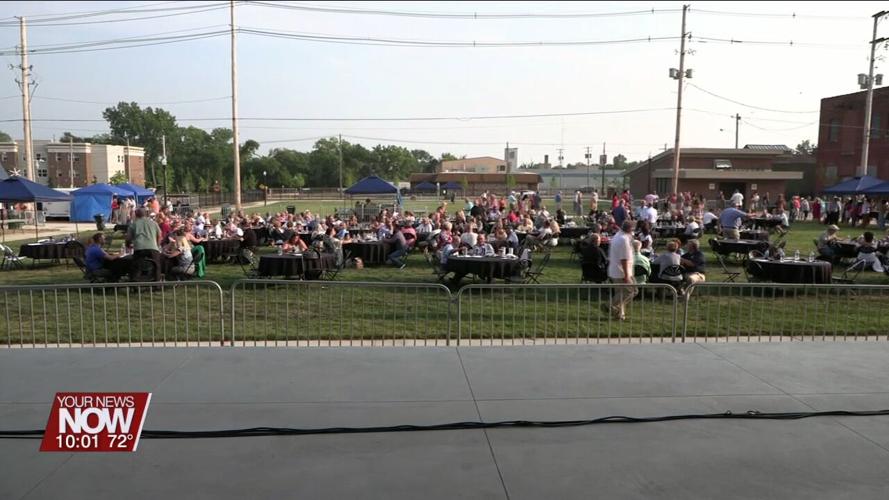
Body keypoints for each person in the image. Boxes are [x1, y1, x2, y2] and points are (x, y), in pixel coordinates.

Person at [606, 220, 637, 321]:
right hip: (622, 272)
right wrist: (627, 275)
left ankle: (619, 315)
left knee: (620, 292)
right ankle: (611, 305)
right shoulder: (624, 239)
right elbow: (624, 259)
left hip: (615, 270)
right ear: (629, 229)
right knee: (631, 291)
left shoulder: (617, 236)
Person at [126, 207, 162, 281]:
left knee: (136, 266)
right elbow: (159, 235)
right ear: (146, 214)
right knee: (157, 265)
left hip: (139, 248)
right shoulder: (153, 223)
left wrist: (128, 245)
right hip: (152, 247)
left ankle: (135, 284)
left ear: (136, 215)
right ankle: (157, 284)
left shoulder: (133, 224)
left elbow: (128, 238)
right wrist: (157, 246)